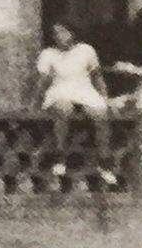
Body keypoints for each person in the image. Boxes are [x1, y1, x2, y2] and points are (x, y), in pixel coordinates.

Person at [33, 19, 120, 187]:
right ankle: (60, 157)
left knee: (100, 113)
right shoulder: (48, 54)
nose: (59, 36)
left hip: (84, 89)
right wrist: (35, 102)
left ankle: (104, 163)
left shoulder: (86, 50)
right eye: (55, 33)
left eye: (63, 32)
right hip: (60, 89)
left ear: (72, 33)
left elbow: (97, 76)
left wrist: (106, 98)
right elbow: (42, 81)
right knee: (63, 108)